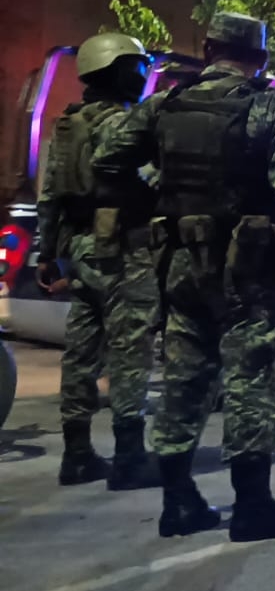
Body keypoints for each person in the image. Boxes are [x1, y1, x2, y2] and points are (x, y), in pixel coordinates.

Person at [94, 12, 275, 541]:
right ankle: (253, 507)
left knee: (183, 378)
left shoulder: (165, 105)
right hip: (250, 269)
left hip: (180, 264)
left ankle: (178, 502)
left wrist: (156, 198)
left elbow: (107, 160)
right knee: (252, 378)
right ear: (262, 58)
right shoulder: (270, 107)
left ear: (206, 50)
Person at [36, 33, 163, 490]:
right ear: (123, 72)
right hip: (122, 251)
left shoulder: (68, 126)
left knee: (81, 355)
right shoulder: (122, 126)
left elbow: (49, 196)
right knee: (130, 354)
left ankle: (77, 455)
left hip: (80, 252)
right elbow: (153, 182)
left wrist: (45, 254)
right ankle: (130, 458)